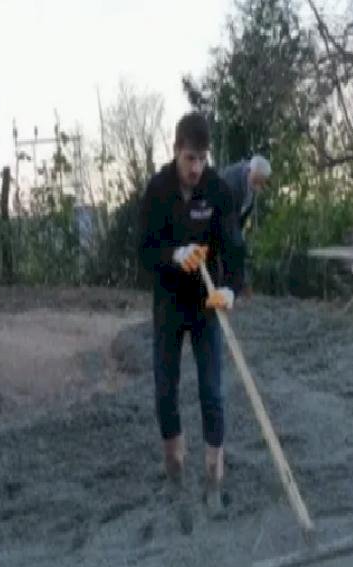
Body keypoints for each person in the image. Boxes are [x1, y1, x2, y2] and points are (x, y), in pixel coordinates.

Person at [139, 112, 246, 524]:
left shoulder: (218, 192)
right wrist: (173, 256)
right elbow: (143, 251)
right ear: (176, 151)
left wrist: (231, 289)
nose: (196, 167)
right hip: (168, 303)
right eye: (189, 158)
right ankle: (175, 475)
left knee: (212, 392)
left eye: (202, 158)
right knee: (166, 392)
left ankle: (213, 482)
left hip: (206, 304)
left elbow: (234, 250)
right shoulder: (158, 190)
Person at [220, 154, 271, 232]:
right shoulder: (232, 184)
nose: (260, 186)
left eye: (261, 182)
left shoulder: (251, 181)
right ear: (251, 171)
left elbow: (242, 217)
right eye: (257, 182)